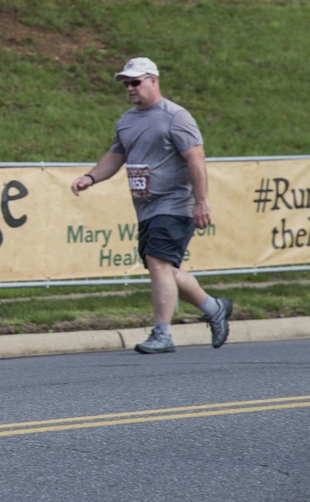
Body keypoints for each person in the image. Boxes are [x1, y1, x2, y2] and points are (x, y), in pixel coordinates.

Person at [70, 56, 232, 354]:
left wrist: (201, 202)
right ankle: (214, 307)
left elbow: (196, 159)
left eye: (135, 82)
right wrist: (90, 178)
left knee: (158, 263)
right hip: (145, 207)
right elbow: (115, 157)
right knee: (163, 269)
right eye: (126, 83)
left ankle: (162, 334)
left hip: (175, 204)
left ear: (153, 81)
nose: (130, 88)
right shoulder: (127, 120)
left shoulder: (176, 116)